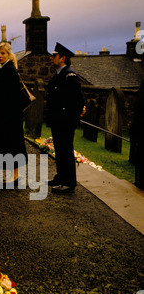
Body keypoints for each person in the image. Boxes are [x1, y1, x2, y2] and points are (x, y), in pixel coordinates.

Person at [46, 42, 86, 194]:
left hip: (65, 121)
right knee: (60, 150)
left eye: (54, 56)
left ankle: (69, 183)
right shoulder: (59, 75)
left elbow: (79, 99)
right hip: (58, 120)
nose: (51, 58)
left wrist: (72, 116)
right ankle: (61, 177)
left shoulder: (70, 75)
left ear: (62, 58)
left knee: (66, 150)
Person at [0, 41, 27, 184]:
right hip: (7, 115)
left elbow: (10, 95)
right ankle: (14, 174)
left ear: (9, 54)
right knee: (10, 144)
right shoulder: (5, 68)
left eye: (3, 53)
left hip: (10, 115)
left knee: (14, 145)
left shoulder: (9, 70)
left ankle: (15, 176)